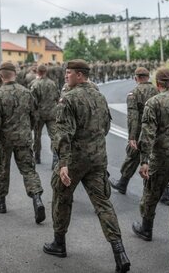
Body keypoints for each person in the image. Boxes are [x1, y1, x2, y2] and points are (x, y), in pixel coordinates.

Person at [43, 59, 130, 273]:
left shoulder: (69, 99)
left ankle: (59, 243)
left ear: (80, 75)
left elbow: (63, 134)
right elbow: (106, 127)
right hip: (98, 158)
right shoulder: (99, 96)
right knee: (103, 204)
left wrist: (63, 163)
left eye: (69, 73)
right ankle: (119, 252)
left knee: (62, 198)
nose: (66, 76)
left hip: (74, 160)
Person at [0, 62, 45, 224]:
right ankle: (37, 198)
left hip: (5, 140)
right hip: (23, 138)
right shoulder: (26, 92)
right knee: (29, 170)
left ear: (0, 76)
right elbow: (34, 115)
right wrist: (27, 129)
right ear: (15, 74)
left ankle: (1, 203)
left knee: (2, 169)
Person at [110, 67, 158, 195]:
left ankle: (122, 183)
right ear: (148, 77)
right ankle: (166, 194)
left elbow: (133, 117)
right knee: (159, 159)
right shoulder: (158, 91)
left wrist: (132, 137)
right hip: (158, 131)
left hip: (140, 131)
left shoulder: (134, 93)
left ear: (136, 78)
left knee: (132, 157)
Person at [30, 65, 60, 168]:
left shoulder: (35, 84)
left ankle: (37, 157)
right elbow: (58, 98)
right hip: (52, 114)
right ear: (46, 72)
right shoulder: (53, 83)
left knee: (37, 137)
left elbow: (32, 102)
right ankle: (55, 158)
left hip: (39, 115)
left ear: (37, 72)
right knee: (54, 136)